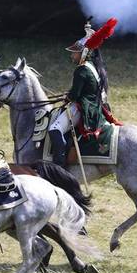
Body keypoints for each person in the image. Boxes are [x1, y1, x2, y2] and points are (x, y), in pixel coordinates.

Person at [48, 17, 118, 166]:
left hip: (84, 108)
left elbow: (75, 95)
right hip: (94, 105)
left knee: (54, 129)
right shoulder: (94, 66)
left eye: (75, 53)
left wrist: (68, 96)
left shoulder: (81, 70)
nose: (72, 55)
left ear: (84, 52)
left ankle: (58, 165)